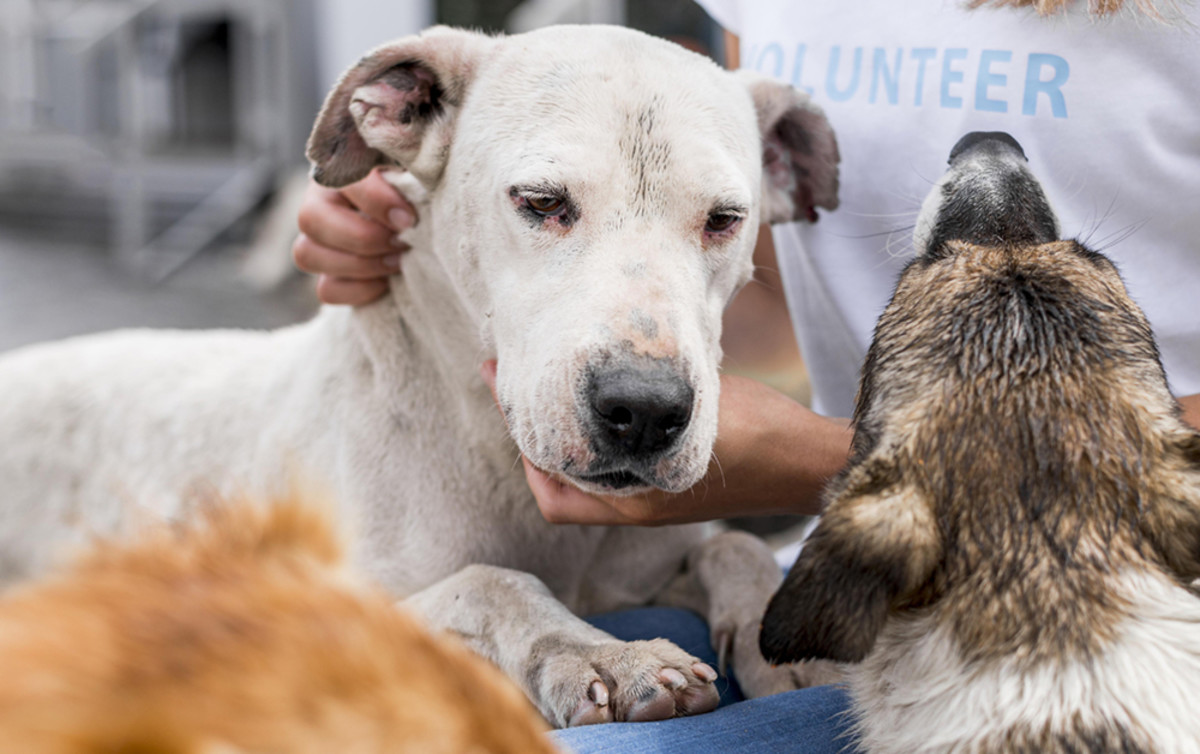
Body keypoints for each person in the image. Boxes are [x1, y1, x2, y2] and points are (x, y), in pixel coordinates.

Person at [293, 0, 1200, 749]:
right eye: (543, 204)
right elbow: (745, 281)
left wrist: (818, 460)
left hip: (1145, 602)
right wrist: (426, 226)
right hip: (854, 580)